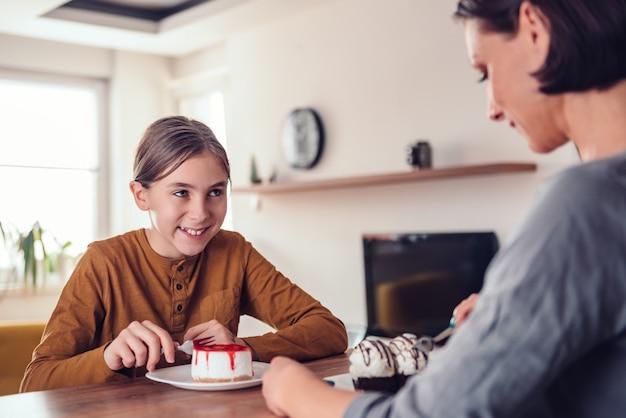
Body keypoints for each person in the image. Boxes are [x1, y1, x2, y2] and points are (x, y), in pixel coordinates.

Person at [261, 0, 626, 416]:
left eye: (484, 71)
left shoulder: (586, 202)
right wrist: (506, 326)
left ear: (534, 29)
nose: (491, 108)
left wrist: (297, 392)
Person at [20, 115, 348, 392]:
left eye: (215, 192)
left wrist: (241, 349)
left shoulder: (236, 252)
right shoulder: (103, 262)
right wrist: (108, 356)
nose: (200, 213)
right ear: (141, 195)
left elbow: (328, 330)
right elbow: (35, 382)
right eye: (181, 192)